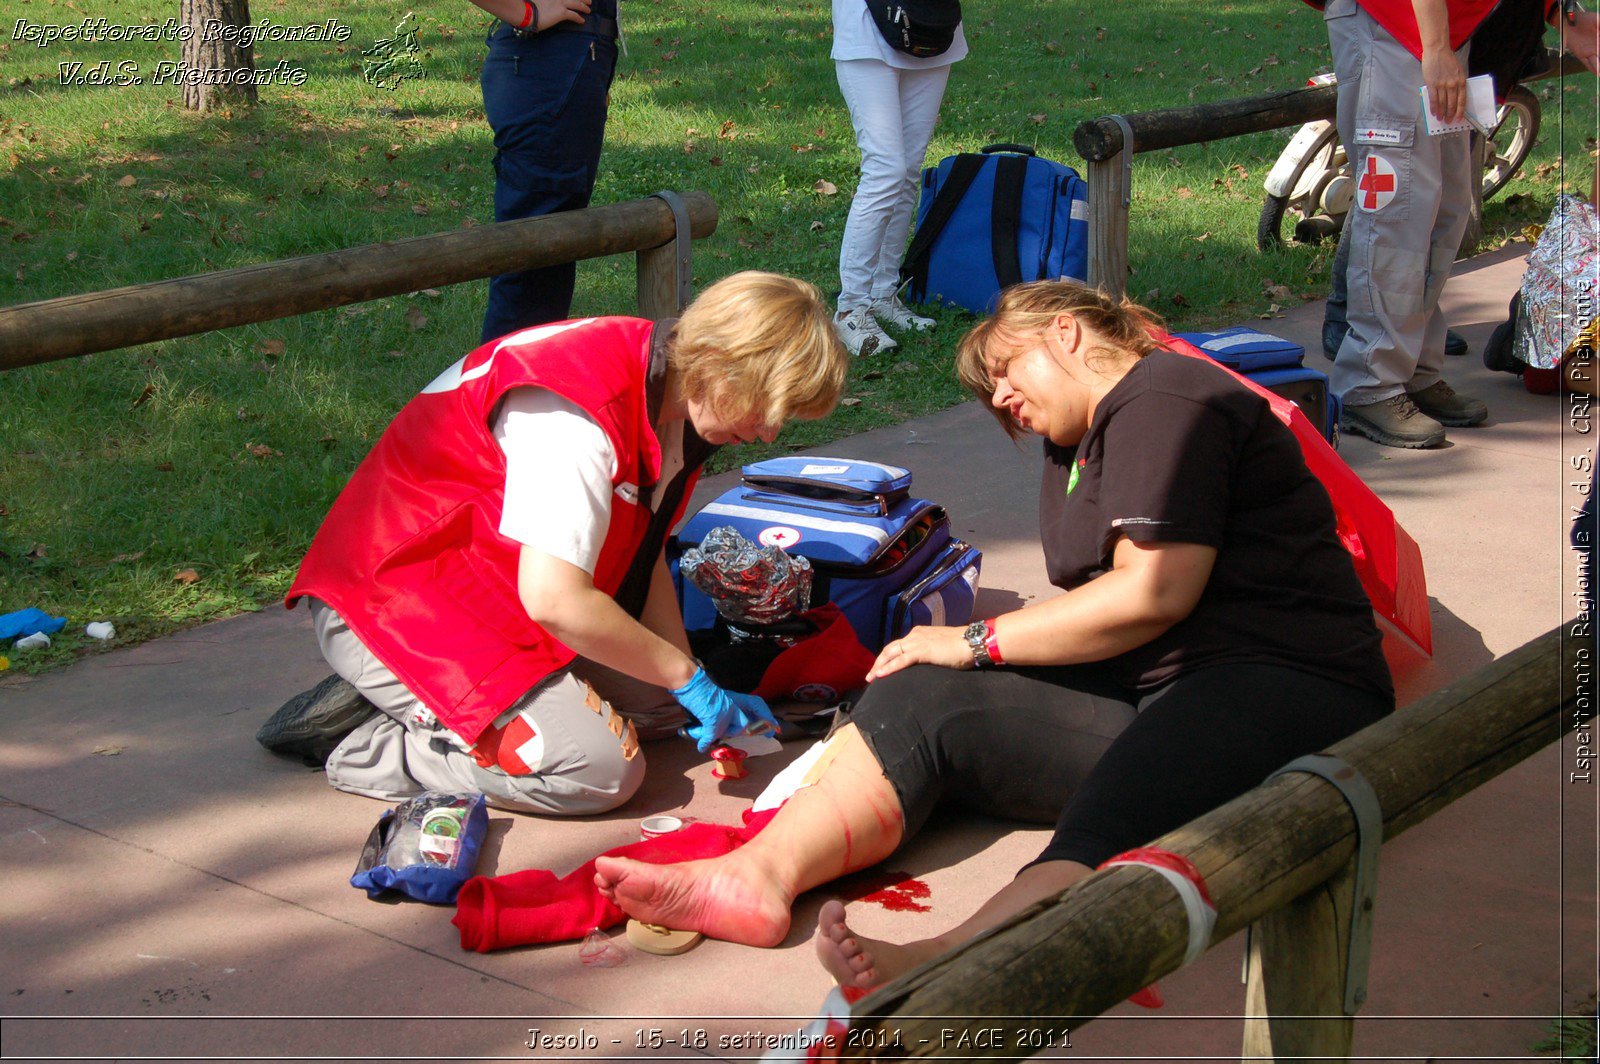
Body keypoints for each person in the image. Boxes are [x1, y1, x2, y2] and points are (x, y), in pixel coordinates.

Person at [593, 281, 1395, 990]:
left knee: (1120, 808)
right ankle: (755, 875)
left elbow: (1152, 592)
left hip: (1286, 682)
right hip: (1155, 680)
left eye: (1006, 371)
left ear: (1068, 333)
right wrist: (959, 658)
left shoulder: (1167, 396)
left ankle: (955, 963)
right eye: (989, 393)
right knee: (918, 691)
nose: (1000, 399)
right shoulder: (1080, 439)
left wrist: (977, 641)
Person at [262, 273, 849, 815]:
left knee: (661, 706)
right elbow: (556, 601)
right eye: (769, 409)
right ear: (722, 362)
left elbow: (643, 565)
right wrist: (684, 675)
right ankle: (370, 744)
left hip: (497, 590)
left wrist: (691, 680)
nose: (769, 432)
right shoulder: (576, 408)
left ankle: (440, 706)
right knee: (597, 770)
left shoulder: (676, 390)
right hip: (395, 603)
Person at [1318, 0, 1504, 448]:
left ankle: (1413, 369)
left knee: (1445, 206)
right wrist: (1435, 46)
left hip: (1437, 30)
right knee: (1396, 212)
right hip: (1395, 26)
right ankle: (1369, 381)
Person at [467, 0, 619, 342]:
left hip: (565, 60)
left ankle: (523, 387)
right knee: (533, 260)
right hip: (548, 64)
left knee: (548, 259)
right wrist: (527, 12)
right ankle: (503, 391)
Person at [828, 0, 967, 357]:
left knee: (906, 172)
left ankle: (882, 293)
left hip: (930, 26)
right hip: (866, 30)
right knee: (885, 170)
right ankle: (851, 309)